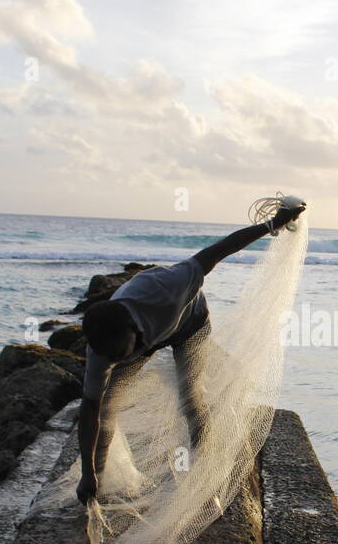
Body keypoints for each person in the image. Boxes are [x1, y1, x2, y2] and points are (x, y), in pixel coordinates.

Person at [76, 195, 307, 505]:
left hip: (190, 324)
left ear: (132, 331)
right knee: (106, 408)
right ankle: (98, 481)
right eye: (109, 358)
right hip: (146, 336)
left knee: (191, 398)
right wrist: (86, 473)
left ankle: (203, 476)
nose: (115, 361)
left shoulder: (170, 286)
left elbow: (222, 248)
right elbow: (89, 409)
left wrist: (272, 224)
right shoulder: (102, 351)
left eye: (120, 354)